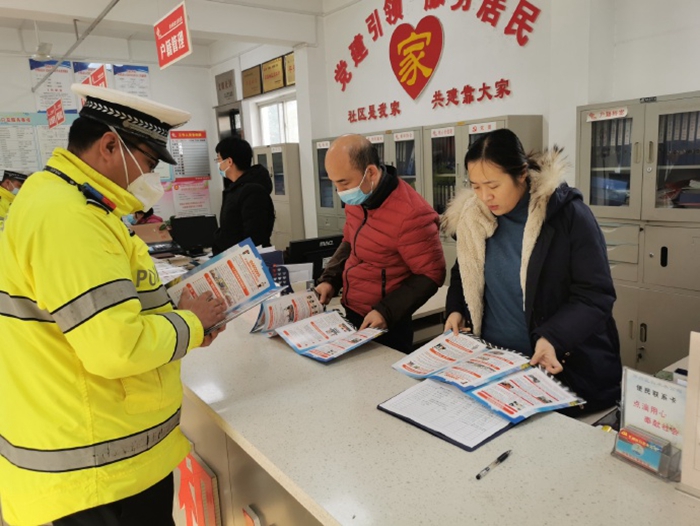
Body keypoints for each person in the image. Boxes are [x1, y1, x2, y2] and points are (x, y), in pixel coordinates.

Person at [0, 84, 228, 526]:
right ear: (109, 145)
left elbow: (101, 309)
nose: (151, 178)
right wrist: (191, 326)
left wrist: (177, 315)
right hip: (97, 474)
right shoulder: (71, 217)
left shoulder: (60, 200)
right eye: (147, 163)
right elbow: (114, 346)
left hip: (95, 457)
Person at [442, 128, 622, 413]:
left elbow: (595, 295)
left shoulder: (566, 216)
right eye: (475, 186)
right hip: (495, 366)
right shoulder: (473, 218)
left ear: (521, 174)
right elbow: (463, 271)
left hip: (558, 367)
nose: (485, 196)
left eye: (493, 185)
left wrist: (553, 337)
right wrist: (455, 308)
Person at [315, 134, 446, 354]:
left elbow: (431, 274)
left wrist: (386, 312)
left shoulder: (411, 213)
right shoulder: (360, 197)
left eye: (344, 182)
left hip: (386, 322)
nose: (339, 192)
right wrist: (330, 279)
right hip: (353, 310)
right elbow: (351, 242)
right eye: (334, 183)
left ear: (371, 173)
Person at [212, 137, 275, 254]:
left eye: (219, 159)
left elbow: (254, 236)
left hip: (247, 261)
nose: (218, 164)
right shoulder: (236, 189)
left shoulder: (253, 191)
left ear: (229, 161)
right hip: (233, 256)